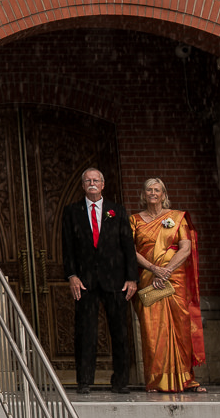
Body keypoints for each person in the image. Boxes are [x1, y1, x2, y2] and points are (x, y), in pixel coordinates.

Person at [61, 167, 138, 394]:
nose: (92, 183)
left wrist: (132, 278)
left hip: (115, 280)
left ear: (103, 185)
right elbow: (67, 247)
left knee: (119, 332)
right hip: (85, 281)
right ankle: (84, 381)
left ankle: (120, 381)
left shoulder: (117, 211)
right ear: (83, 186)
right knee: (86, 331)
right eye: (88, 181)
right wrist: (72, 275)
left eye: (96, 180)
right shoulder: (72, 212)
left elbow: (128, 248)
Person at [131, 178, 207, 393]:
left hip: (175, 279)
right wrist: (154, 269)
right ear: (143, 195)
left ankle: (186, 379)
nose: (153, 193)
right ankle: (156, 380)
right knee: (153, 329)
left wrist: (167, 270)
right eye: (149, 190)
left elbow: (185, 247)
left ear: (164, 195)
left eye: (157, 190)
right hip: (148, 277)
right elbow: (130, 249)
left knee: (181, 327)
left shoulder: (177, 218)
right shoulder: (134, 220)